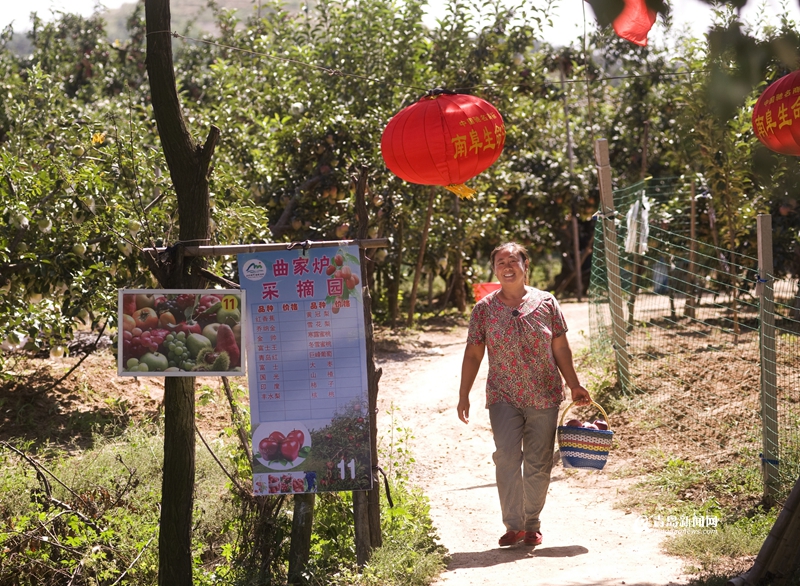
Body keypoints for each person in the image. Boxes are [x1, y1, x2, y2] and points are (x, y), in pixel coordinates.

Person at [457, 242, 591, 547]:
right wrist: (463, 394)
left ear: (525, 265)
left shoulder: (547, 303)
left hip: (544, 394)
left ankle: (532, 523)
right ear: (494, 269)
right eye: (500, 262)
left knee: (539, 461)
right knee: (505, 457)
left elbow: (560, 347)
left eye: (512, 260)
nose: (507, 266)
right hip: (503, 394)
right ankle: (513, 524)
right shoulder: (484, 309)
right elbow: (474, 354)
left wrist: (574, 384)